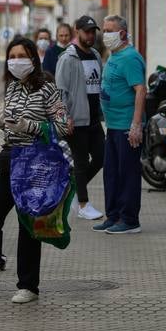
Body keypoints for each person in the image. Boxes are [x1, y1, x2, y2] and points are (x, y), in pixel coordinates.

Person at [0, 35, 70, 304]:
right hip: (10, 159)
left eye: (22, 56)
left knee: (28, 224)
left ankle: (28, 285)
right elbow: (9, 121)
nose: (16, 61)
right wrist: (2, 122)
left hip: (34, 162)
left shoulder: (46, 88)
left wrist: (29, 126)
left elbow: (65, 126)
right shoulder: (10, 88)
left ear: (33, 59)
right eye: (12, 56)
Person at [94, 15, 146, 235]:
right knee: (112, 173)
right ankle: (113, 216)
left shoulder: (130, 58)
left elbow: (140, 90)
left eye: (109, 30)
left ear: (122, 33)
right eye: (104, 30)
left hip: (126, 126)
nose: (105, 35)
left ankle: (129, 219)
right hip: (113, 126)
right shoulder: (114, 55)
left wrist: (135, 125)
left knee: (128, 173)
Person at [55, 16, 105, 220]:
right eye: (86, 31)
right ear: (77, 31)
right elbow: (60, 91)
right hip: (76, 119)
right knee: (81, 162)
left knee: (102, 157)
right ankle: (83, 204)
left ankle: (74, 190)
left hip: (94, 119)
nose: (90, 35)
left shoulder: (94, 54)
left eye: (93, 31)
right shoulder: (68, 58)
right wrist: (64, 117)